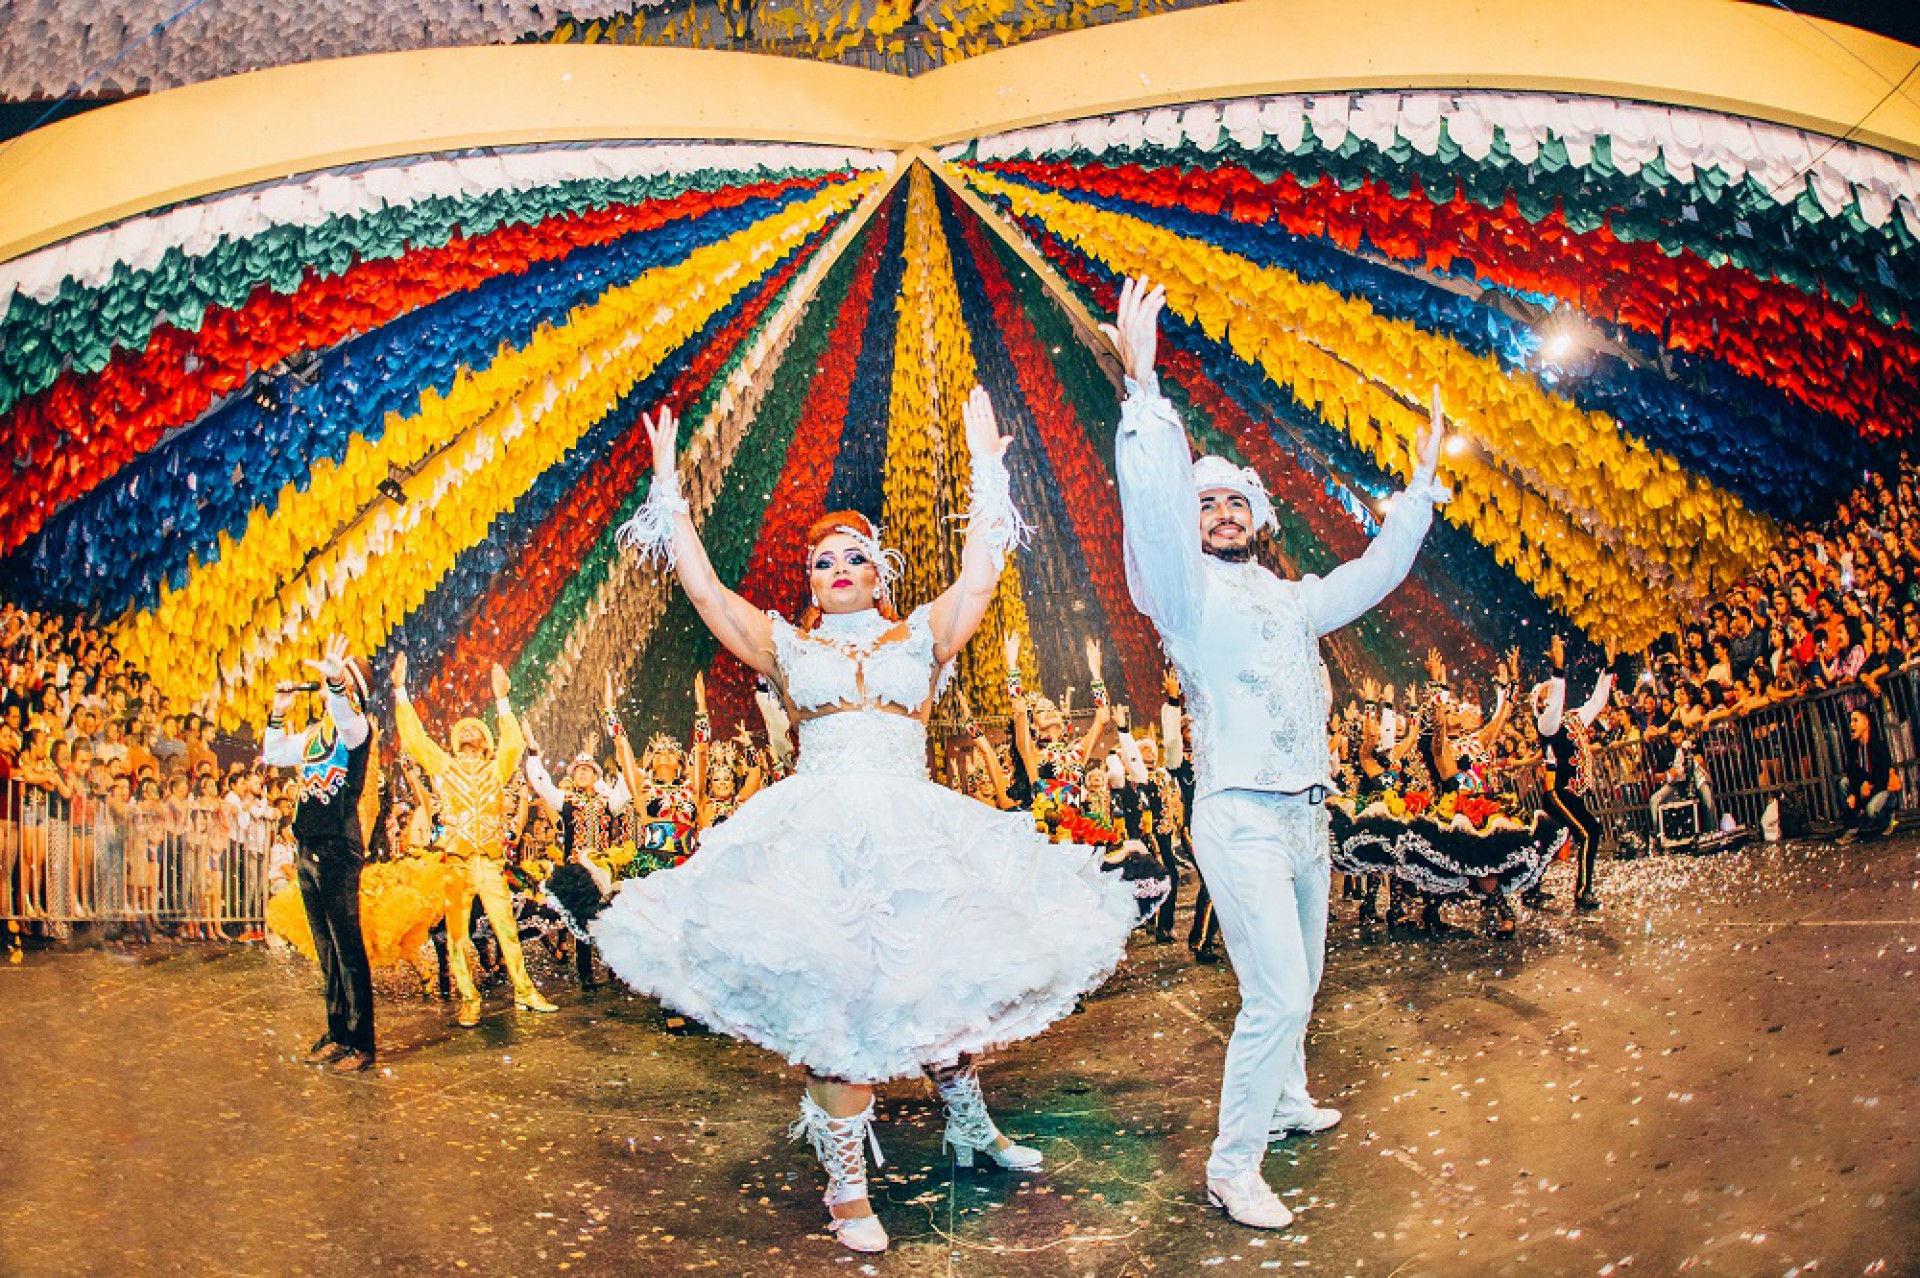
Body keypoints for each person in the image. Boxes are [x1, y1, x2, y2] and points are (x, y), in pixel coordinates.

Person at [559, 396, 1136, 1255]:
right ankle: (846, 1188)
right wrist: (671, 494)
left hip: (913, 830)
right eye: (821, 559)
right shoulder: (788, 644)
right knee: (839, 1014)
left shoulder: (920, 634)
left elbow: (982, 574)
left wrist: (988, 471)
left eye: (852, 556)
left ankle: (969, 1128)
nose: (836, 567)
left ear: (879, 571)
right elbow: (707, 592)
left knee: (942, 986)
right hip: (817, 837)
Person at [1105, 275, 1448, 1230]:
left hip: (1307, 813)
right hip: (1238, 814)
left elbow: (1374, 574)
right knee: (1279, 990)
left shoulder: (1293, 599)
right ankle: (1233, 1164)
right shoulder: (1184, 596)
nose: (1217, 512)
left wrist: (1417, 495)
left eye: (1232, 503)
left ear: (1259, 519)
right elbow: (1155, 514)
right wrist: (1144, 394)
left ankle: (1288, 1099)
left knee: (1297, 976)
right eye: (1204, 503)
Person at [393, 654, 558, 1029]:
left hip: (489, 862)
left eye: (475, 731)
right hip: (457, 863)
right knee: (456, 936)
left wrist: (502, 700)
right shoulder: (444, 767)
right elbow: (416, 739)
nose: (468, 734)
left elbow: (513, 744)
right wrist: (401, 691)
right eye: (462, 731)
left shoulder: (496, 767)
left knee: (506, 928)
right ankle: (469, 999)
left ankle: (525, 990)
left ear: (485, 742)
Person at [260, 636, 381, 1073]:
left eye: (343, 681)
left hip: (338, 848)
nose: (332, 687)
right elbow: (272, 753)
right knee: (326, 948)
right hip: (308, 845)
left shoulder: (358, 729)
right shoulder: (315, 735)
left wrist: (336, 684)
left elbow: (347, 719)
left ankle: (362, 1044)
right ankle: (337, 1032)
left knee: (348, 949)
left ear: (353, 693)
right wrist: (278, 712)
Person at [1532, 635, 1614, 911]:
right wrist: (1557, 671)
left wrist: (1609, 667)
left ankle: (1531, 888)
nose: (1550, 695)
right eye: (1544, 694)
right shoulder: (1546, 725)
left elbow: (1598, 700)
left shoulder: (1575, 718)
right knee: (1590, 831)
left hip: (1570, 795)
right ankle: (1583, 892)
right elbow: (1555, 704)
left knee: (1546, 840)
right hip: (1557, 794)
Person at [1839, 707, 1898, 842]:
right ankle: (1852, 829)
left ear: (1866, 723)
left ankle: (1888, 819)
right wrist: (1855, 793)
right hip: (1864, 789)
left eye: (1855, 720)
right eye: (1851, 721)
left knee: (1872, 810)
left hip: (1882, 789)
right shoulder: (1853, 747)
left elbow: (1882, 779)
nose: (1851, 725)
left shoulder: (1879, 746)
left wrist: (1866, 790)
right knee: (1843, 783)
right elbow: (1852, 773)